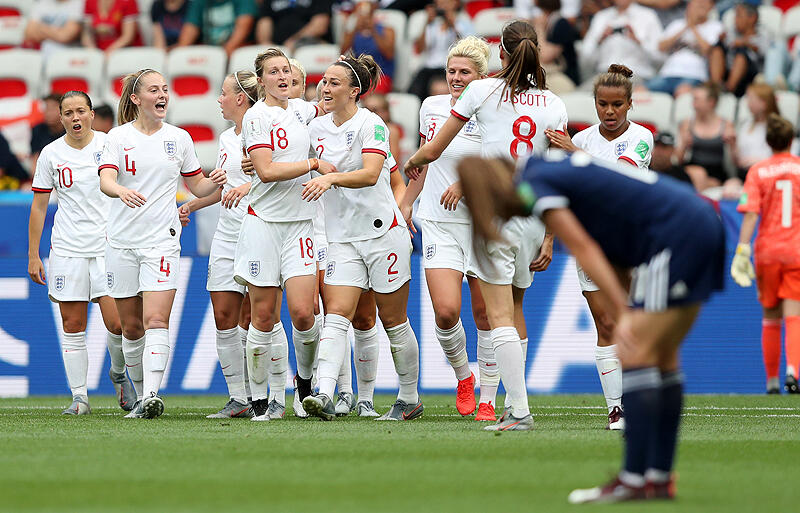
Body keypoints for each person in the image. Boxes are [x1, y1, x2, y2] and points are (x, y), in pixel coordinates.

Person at [455, 152, 724, 502]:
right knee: (663, 359)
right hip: (698, 220)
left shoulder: (539, 182)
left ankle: (633, 479)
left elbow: (584, 248)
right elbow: (613, 245)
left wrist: (623, 311)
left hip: (674, 234)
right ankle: (656, 478)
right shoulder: (553, 171)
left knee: (640, 355)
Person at [405, 20, 564, 431]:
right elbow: (555, 170)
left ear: (503, 56)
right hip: (530, 215)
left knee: (497, 316)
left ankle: (518, 410)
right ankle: (507, 402)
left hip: (493, 216)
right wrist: (550, 232)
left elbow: (437, 146)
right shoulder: (553, 104)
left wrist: (416, 160)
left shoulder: (482, 92)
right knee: (513, 309)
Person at [98, 68, 227, 419]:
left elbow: (197, 187)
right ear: (136, 99)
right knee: (131, 326)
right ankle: (140, 396)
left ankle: (152, 394)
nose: (163, 95)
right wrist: (121, 190)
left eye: (166, 89)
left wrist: (217, 181)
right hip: (122, 241)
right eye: (154, 90)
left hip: (162, 240)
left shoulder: (180, 138)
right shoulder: (116, 137)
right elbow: (106, 180)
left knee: (156, 319)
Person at [302, 54, 422, 422]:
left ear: (354, 92)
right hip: (342, 239)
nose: (325, 86)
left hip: (382, 235)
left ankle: (409, 396)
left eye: (334, 82)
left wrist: (330, 177)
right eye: (324, 80)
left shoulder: (374, 125)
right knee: (336, 315)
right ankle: (323, 392)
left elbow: (372, 174)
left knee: (393, 320)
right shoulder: (315, 128)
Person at [546, 64, 653, 431]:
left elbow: (618, 179)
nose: (610, 112)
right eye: (603, 104)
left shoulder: (641, 137)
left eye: (617, 105)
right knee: (606, 323)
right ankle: (616, 409)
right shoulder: (587, 139)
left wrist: (573, 152)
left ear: (630, 104)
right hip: (591, 241)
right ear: (594, 103)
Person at [399, 36, 495, 420]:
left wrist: (468, 183)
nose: (456, 78)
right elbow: (424, 160)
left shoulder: (492, 110)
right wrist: (405, 203)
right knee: (445, 311)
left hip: (482, 224)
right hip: (438, 222)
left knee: (486, 315)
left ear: (480, 77)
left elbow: (502, 162)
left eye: (464, 73)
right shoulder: (431, 107)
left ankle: (488, 398)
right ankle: (464, 376)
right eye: (451, 71)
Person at [237, 48, 334, 421]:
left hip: (300, 226)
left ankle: (305, 383)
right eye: (273, 72)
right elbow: (264, 170)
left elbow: (332, 108)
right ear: (260, 80)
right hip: (263, 224)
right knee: (262, 316)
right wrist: (312, 163)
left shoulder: (301, 110)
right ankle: (260, 400)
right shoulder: (256, 118)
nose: (281, 77)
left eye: (286, 71)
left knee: (304, 313)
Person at [27, 90, 135, 416]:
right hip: (67, 248)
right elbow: (39, 205)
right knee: (72, 324)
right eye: (69, 113)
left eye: (81, 111)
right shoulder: (50, 154)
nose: (75, 118)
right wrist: (34, 254)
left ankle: (118, 373)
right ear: (60, 118)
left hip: (108, 246)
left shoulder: (110, 145)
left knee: (118, 324)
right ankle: (79, 398)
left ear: (91, 114)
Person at [177, 71, 261, 418]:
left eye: (223, 93)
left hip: (259, 231)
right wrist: (191, 205)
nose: (219, 99)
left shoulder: (267, 131)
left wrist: (250, 187)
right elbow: (224, 188)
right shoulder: (227, 139)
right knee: (224, 316)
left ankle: (267, 396)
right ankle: (238, 398)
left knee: (259, 318)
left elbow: (282, 180)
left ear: (240, 97)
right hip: (227, 234)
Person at [732, 113, 800, 395]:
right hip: (796, 250)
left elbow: (750, 214)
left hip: (768, 251)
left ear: (768, 141)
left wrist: (741, 250)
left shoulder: (757, 171)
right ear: (791, 140)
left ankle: (772, 382)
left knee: (770, 317)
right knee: (794, 313)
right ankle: (792, 372)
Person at [647, 0, 723, 96]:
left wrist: (693, 27)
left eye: (702, 6)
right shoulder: (677, 24)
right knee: (640, 91)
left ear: (710, 8)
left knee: (682, 92)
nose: (697, 9)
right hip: (668, 73)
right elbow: (661, 46)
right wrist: (686, 26)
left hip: (694, 75)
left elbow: (707, 49)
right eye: (695, 5)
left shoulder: (715, 26)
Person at [578, 0, 663, 84]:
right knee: (578, 96)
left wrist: (639, 42)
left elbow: (660, 57)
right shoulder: (601, 17)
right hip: (604, 76)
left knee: (620, 91)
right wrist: (599, 41)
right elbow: (585, 57)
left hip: (636, 75)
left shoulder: (648, 16)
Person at [675, 82, 738, 194]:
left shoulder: (726, 124)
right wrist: (684, 145)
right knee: (698, 174)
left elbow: (736, 162)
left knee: (706, 179)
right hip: (692, 169)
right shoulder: (687, 124)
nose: (693, 105)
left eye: (697, 100)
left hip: (716, 173)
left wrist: (733, 144)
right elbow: (677, 160)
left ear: (711, 102)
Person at [409, 0, 474, 100]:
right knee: (415, 94)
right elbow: (419, 49)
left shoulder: (463, 22)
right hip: (428, 68)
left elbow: (466, 47)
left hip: (449, 67)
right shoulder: (431, 23)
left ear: (456, 3)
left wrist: (453, 25)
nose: (444, 5)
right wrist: (426, 24)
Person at [709, 2, 769, 97]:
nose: (735, 20)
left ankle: (729, 89)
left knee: (741, 53)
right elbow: (723, 47)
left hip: (749, 77)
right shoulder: (732, 32)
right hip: (727, 70)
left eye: (738, 16)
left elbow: (766, 53)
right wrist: (721, 40)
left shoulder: (763, 34)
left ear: (752, 18)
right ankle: (715, 87)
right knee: (717, 49)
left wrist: (747, 44)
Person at [340, 1, 395, 94]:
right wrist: (355, 29)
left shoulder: (387, 30)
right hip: (359, 76)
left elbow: (389, 54)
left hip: (381, 76)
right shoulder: (353, 33)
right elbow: (342, 51)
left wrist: (373, 30)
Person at [176, 0, 256, 56]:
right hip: (209, 53)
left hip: (236, 53)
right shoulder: (199, 2)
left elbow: (243, 30)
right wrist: (178, 54)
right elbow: (186, 38)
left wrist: (219, 57)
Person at [533, 0, 581, 89]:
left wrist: (539, 29)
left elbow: (545, 56)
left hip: (564, 79)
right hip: (552, 77)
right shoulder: (549, 21)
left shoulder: (561, 23)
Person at [735, 83, 779, 177]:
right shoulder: (745, 125)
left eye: (751, 98)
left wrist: (760, 161)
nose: (747, 102)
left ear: (764, 103)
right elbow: (738, 161)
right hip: (745, 174)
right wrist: (732, 144)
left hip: (769, 175)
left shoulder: (778, 127)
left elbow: (785, 159)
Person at [255, 0, 333, 52]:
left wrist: (295, 41)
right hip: (278, 47)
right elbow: (264, 22)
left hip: (310, 43)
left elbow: (320, 26)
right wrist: (267, 44)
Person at [363, 93, 403, 165]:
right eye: (366, 109)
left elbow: (394, 161)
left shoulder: (391, 130)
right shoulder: (359, 127)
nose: (370, 114)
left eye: (374, 110)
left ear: (386, 112)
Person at [31, 94, 66, 174]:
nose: (48, 113)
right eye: (46, 108)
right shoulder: (37, 129)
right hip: (46, 173)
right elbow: (35, 157)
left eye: (53, 108)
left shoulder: (72, 129)